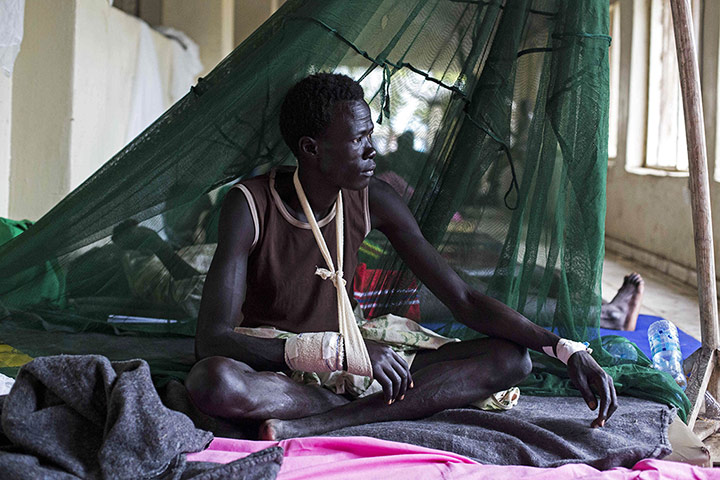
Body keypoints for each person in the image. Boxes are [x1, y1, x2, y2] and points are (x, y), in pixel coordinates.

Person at [185, 73, 619, 441]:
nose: (373, 150)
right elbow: (214, 338)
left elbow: (463, 299)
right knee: (213, 381)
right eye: (358, 139)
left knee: (513, 359)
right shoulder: (249, 204)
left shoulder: (375, 198)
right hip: (282, 365)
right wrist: (335, 353)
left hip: (359, 357)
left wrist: (564, 349)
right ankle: (355, 409)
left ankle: (325, 420)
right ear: (311, 148)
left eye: (370, 134)